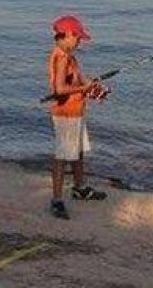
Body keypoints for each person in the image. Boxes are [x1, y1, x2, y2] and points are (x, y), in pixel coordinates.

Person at [46, 15, 110, 220]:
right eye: (77, 37)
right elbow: (60, 88)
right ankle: (57, 200)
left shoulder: (69, 56)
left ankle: (79, 188)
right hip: (66, 115)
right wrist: (84, 87)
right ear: (68, 35)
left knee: (78, 152)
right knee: (62, 157)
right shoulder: (61, 57)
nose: (79, 41)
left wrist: (92, 90)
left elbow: (75, 84)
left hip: (76, 111)